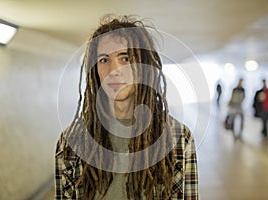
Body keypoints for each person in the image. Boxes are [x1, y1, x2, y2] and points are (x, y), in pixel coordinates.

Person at [55, 15, 198, 200]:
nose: (114, 70)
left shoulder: (178, 138)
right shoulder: (71, 142)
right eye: (104, 60)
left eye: (125, 58)